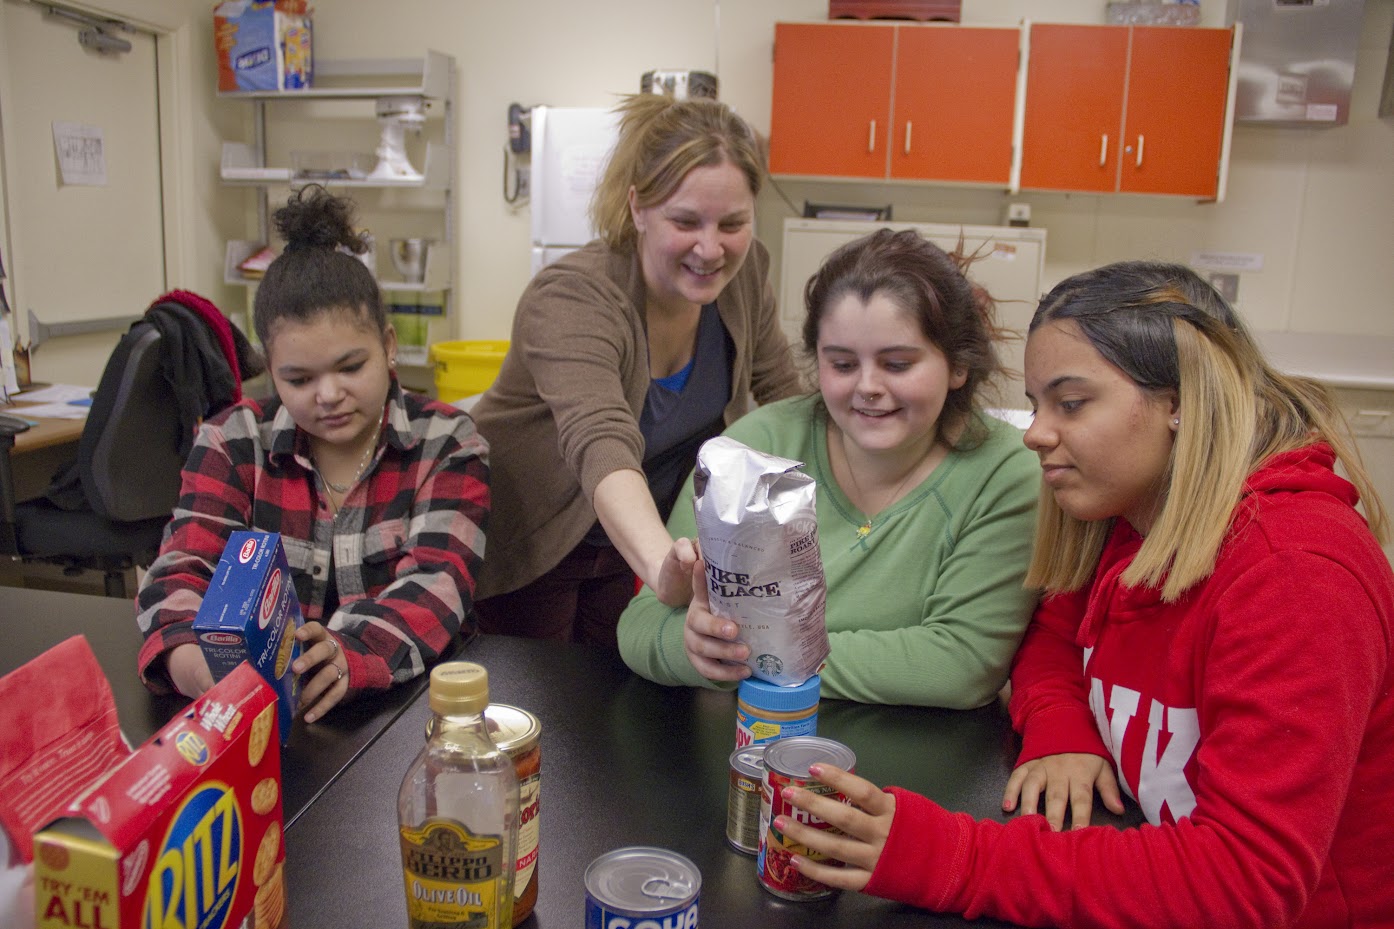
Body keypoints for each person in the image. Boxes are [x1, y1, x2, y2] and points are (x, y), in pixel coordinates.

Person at [778, 261, 1394, 928]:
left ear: (1181, 400)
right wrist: (1062, 727)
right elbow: (1054, 633)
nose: (1036, 433)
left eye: (1070, 404)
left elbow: (1245, 879)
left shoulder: (1295, 574)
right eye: (1038, 404)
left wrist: (955, 857)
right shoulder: (1130, 517)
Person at [618, 228, 1040, 707]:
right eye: (841, 364)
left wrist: (748, 654)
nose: (867, 387)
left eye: (897, 364)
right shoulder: (758, 447)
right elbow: (641, 625)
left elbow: (959, 664)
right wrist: (693, 648)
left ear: (959, 366)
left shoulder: (1005, 473)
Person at [136, 186, 489, 723]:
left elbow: (438, 585)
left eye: (351, 367)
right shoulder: (232, 440)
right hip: (254, 716)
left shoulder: (445, 440)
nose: (327, 395)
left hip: (404, 711)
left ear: (389, 346)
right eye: (298, 379)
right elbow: (181, 571)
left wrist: (346, 657)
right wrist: (198, 667)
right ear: (269, 369)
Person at [470, 93, 801, 647]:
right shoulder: (573, 296)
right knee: (547, 706)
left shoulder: (744, 277)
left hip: (646, 545)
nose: (711, 247)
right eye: (686, 220)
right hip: (536, 542)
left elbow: (786, 399)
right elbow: (600, 439)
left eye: (733, 223)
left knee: (624, 707)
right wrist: (664, 569)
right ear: (637, 208)